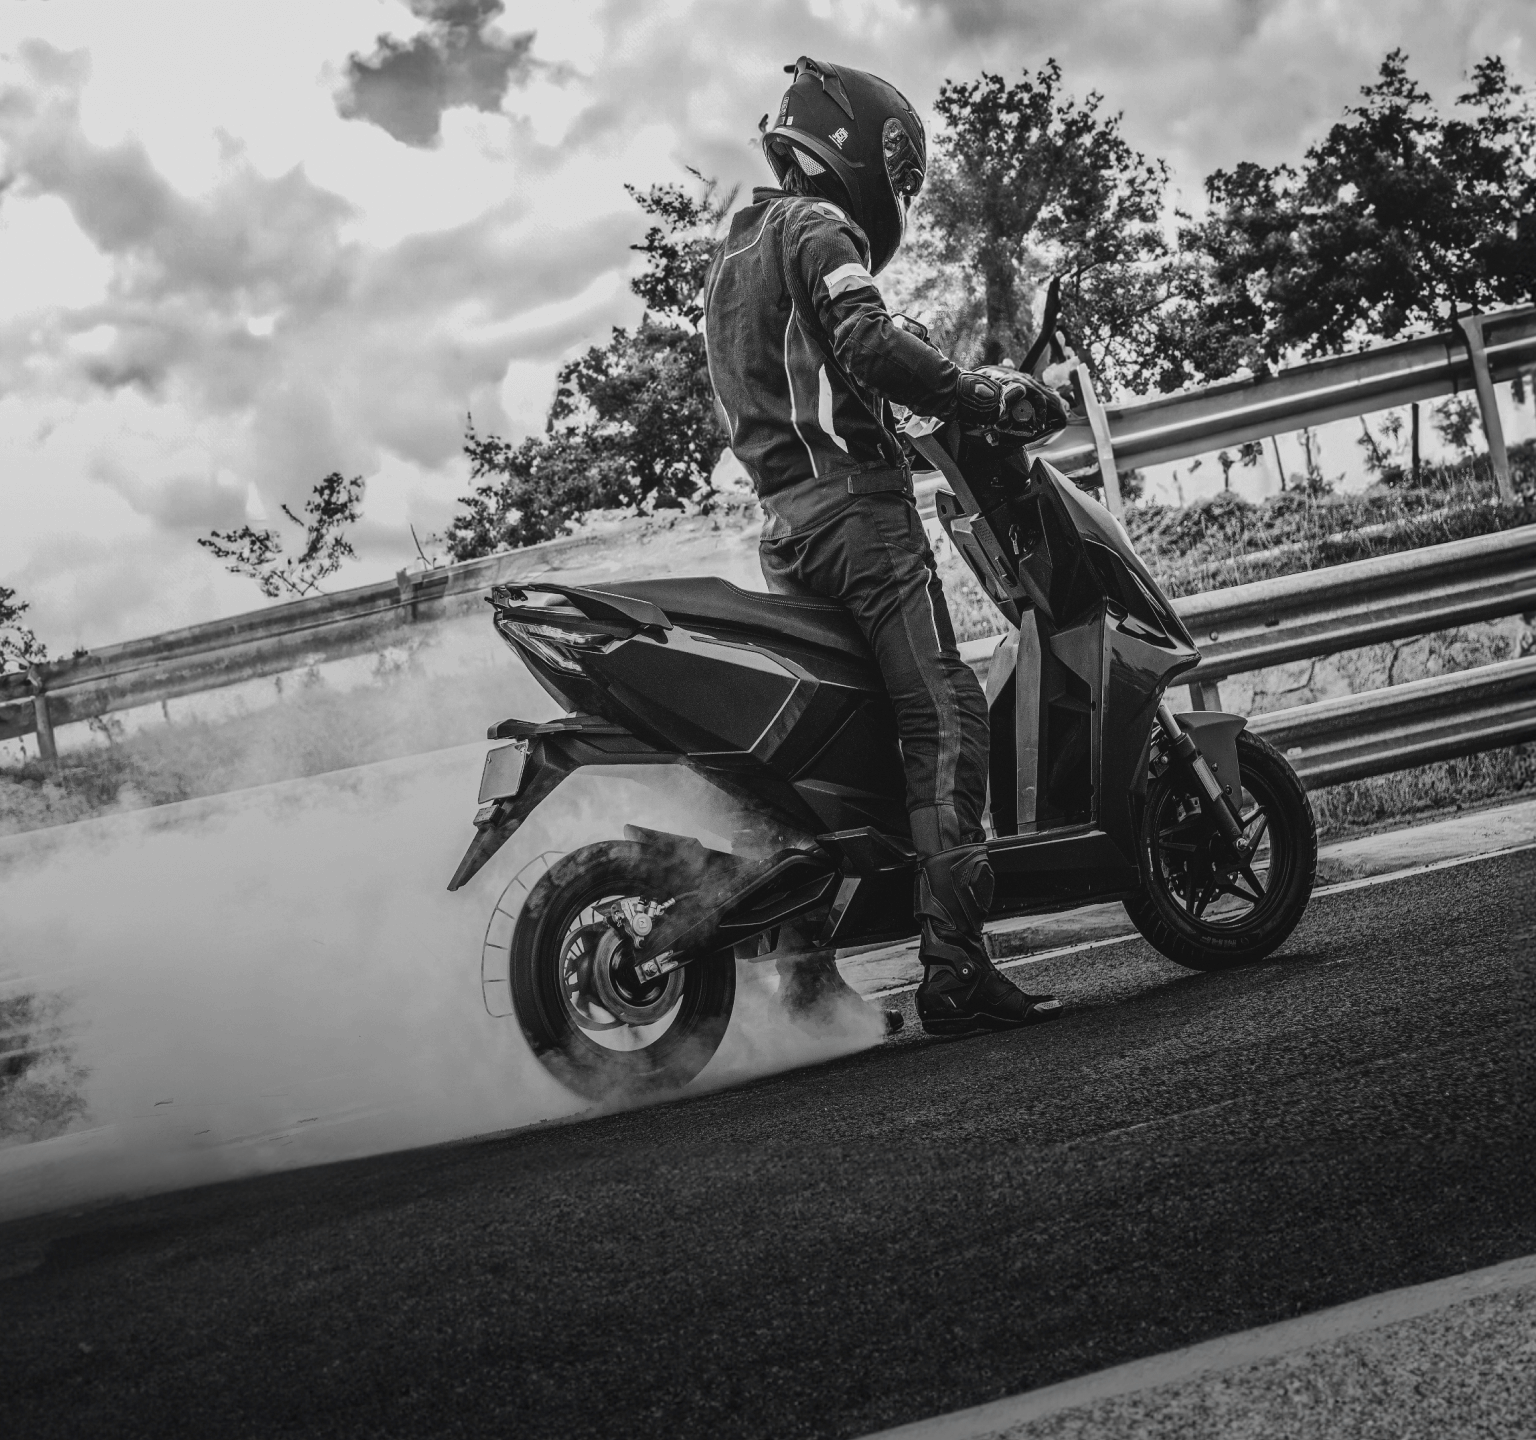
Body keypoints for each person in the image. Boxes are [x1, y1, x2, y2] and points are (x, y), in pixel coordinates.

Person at [702, 56, 1061, 1038]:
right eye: (897, 164)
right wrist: (975, 391)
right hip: (860, 520)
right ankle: (955, 966)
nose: (898, 187)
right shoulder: (822, 228)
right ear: (853, 140)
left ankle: (807, 981)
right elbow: (862, 342)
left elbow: (803, 375)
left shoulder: (735, 253)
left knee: (835, 746)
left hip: (786, 530)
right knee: (944, 712)